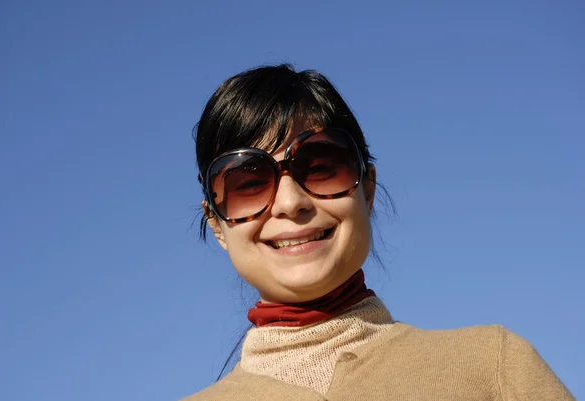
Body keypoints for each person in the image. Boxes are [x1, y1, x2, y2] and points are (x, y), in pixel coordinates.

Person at [183, 64, 574, 400]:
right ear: (216, 223)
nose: (290, 202)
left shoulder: (494, 368)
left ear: (367, 190)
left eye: (321, 166)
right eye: (247, 184)